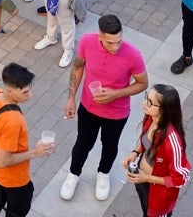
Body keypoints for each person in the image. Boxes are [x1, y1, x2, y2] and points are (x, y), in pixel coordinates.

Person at [60, 14, 149, 201]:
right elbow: (77, 68)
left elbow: (142, 83)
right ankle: (73, 174)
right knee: (83, 144)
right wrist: (71, 98)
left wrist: (115, 94)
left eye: (118, 41)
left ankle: (103, 174)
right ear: (99, 36)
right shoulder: (86, 42)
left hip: (117, 113)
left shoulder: (133, 55)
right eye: (110, 43)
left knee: (110, 146)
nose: (115, 47)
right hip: (88, 108)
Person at [0, 62, 54, 217]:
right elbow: (4, 161)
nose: (30, 96)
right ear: (9, 90)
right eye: (25, 92)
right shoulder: (14, 121)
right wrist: (35, 152)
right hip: (14, 180)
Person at [122, 83, 191, 217]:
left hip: (158, 196)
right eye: (146, 97)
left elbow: (180, 179)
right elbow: (146, 144)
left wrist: (147, 177)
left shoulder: (172, 142)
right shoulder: (150, 118)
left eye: (150, 102)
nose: (144, 103)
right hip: (143, 183)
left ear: (163, 110)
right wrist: (135, 152)